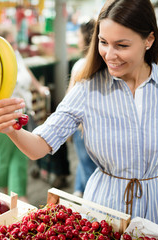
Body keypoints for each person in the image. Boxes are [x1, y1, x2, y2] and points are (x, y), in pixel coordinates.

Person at [0, 0, 158, 226]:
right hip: (102, 210)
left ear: (148, 40)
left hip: (155, 211)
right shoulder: (87, 88)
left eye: (122, 45)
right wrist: (11, 129)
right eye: (103, 42)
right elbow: (39, 146)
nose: (109, 55)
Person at [0, 24, 49, 203]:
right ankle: (5, 197)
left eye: (15, 42)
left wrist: (38, 87)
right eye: (11, 42)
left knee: (20, 158)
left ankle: (20, 199)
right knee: (4, 158)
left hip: (21, 114)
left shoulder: (14, 53)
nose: (15, 46)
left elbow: (26, 70)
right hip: (2, 116)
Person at [67, 19, 97, 198]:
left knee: (87, 168)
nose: (77, 39)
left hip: (82, 129)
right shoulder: (104, 67)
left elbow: (70, 101)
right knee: (88, 166)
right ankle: (79, 190)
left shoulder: (81, 65)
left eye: (78, 35)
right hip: (96, 128)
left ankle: (87, 201)